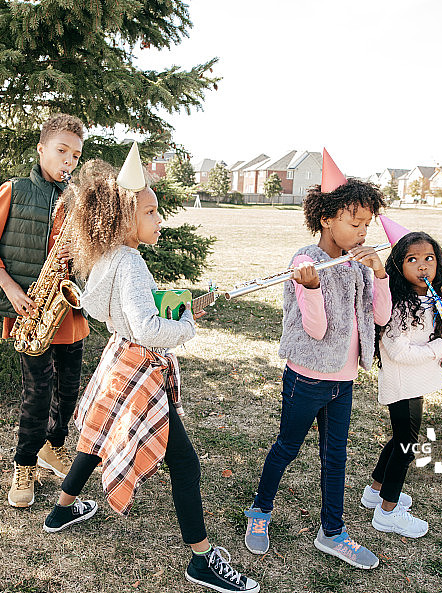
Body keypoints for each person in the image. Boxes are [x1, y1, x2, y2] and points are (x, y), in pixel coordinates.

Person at [41, 155, 259, 593]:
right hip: (141, 364)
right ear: (123, 219)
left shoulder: (110, 255)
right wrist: (186, 326)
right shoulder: (133, 262)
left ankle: (61, 509)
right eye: (150, 212)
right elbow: (148, 327)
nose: (159, 219)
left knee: (97, 435)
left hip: (117, 357)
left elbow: (112, 308)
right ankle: (201, 560)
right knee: (184, 463)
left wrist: (173, 304)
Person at [243, 150, 390, 570]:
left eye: (366, 224)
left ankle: (332, 532)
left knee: (336, 456)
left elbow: (379, 317)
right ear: (327, 219)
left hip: (343, 380)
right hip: (307, 377)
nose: (363, 232)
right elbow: (318, 330)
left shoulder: (360, 264)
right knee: (288, 446)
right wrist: (309, 289)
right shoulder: (306, 262)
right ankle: (260, 511)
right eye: (355, 223)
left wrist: (379, 274)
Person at [0, 114, 90, 507]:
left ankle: (52, 446)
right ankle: (24, 466)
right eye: (61, 151)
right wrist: (11, 289)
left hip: (67, 311)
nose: (68, 161)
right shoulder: (16, 190)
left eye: (76, 155)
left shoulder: (79, 198)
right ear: (41, 149)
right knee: (37, 393)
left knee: (69, 391)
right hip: (31, 310)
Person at [361, 228, 442, 538]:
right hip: (401, 384)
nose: (422, 266)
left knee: (398, 441)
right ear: (398, 265)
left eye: (429, 259)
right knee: (406, 448)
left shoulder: (428, 297)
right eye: (413, 259)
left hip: (415, 383)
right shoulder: (398, 305)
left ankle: (375, 492)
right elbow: (398, 351)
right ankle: (388, 513)